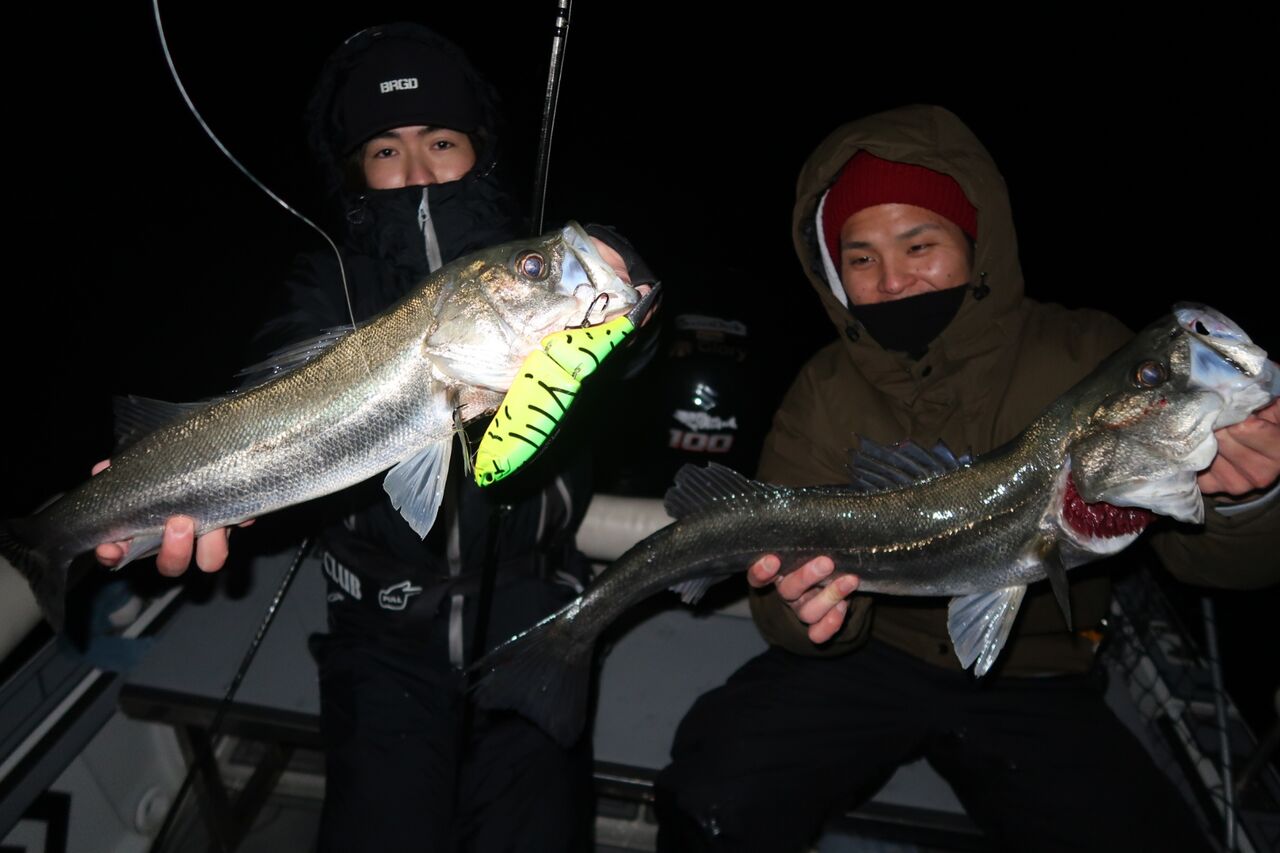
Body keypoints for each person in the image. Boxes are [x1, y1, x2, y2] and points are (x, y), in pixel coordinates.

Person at [654, 104, 1280, 852]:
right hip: (873, 656)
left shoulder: (1084, 351)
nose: (893, 280)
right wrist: (810, 611)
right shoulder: (824, 387)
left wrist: (1249, 500)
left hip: (1041, 673)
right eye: (861, 259)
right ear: (833, 272)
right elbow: (782, 609)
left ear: (975, 243)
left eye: (919, 244)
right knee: (715, 792)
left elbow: (1209, 561)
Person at [95, 23, 654, 852]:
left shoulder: (519, 270)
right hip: (379, 635)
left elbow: (625, 343)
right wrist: (194, 475)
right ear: (355, 168)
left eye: (441, 140)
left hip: (537, 615)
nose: (418, 167)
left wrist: (625, 288)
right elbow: (275, 371)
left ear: (481, 150)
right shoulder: (326, 278)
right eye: (387, 150)